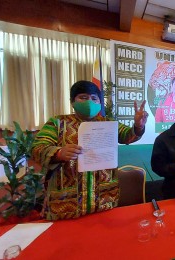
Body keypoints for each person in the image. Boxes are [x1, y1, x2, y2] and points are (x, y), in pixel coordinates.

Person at [32, 80, 148, 220]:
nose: (89, 102)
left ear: (99, 102)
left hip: (104, 199)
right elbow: (37, 147)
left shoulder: (107, 123)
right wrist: (59, 153)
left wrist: (138, 126)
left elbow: (127, 136)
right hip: (66, 204)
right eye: (83, 97)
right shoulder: (57, 123)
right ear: (72, 101)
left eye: (94, 98)